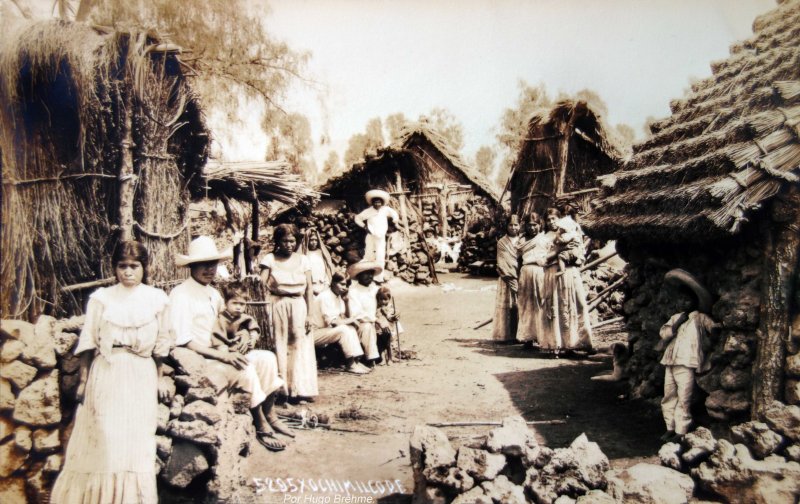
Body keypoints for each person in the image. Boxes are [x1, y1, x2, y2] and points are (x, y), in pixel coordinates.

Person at [52, 241, 172, 504]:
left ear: (144, 268)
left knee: (136, 444)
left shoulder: (157, 299)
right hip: (107, 373)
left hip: (141, 374)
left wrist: (161, 377)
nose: (128, 272)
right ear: (114, 268)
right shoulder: (101, 299)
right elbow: (88, 342)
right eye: (122, 266)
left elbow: (162, 343)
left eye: (134, 266)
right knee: (106, 438)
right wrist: (83, 380)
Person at [170, 236, 290, 452]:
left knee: (267, 358)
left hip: (221, 349)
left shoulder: (214, 293)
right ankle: (260, 422)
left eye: (213, 264)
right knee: (244, 366)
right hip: (202, 357)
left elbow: (229, 323)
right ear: (191, 266)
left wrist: (246, 334)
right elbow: (184, 341)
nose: (209, 269)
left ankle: (269, 413)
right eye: (203, 264)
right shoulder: (180, 295)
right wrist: (222, 356)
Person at [658, 269, 720, 442]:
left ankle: (681, 430)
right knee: (668, 395)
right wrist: (676, 324)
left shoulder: (699, 318)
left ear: (695, 301)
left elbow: (713, 328)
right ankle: (669, 427)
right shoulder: (675, 317)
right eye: (680, 300)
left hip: (687, 362)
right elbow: (664, 334)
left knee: (684, 397)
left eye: (687, 300)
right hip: (670, 361)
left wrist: (714, 334)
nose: (683, 303)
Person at [260, 224, 318, 403]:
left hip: (299, 305)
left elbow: (309, 289)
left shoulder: (303, 260)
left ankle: (299, 389)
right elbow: (260, 285)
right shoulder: (269, 259)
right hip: (278, 304)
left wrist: (310, 314)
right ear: (278, 241)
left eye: (292, 240)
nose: (289, 244)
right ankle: (281, 391)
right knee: (280, 344)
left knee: (300, 345)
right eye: (284, 240)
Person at [547, 207, 594, 354]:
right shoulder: (549, 236)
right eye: (548, 220)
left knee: (579, 305)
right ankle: (565, 344)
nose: (551, 222)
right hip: (559, 272)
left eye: (553, 219)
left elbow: (580, 252)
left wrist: (578, 256)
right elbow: (550, 254)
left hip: (572, 271)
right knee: (563, 306)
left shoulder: (572, 231)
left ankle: (583, 342)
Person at [310, 272, 371, 374]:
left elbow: (345, 317)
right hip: (313, 333)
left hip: (324, 330)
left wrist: (346, 302)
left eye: (346, 285)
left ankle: (355, 361)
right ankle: (350, 365)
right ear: (333, 283)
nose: (345, 287)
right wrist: (351, 320)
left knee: (350, 328)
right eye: (342, 284)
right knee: (343, 330)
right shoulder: (325, 296)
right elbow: (334, 323)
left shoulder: (338, 296)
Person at [516, 213, 555, 349]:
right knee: (526, 304)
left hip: (540, 271)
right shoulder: (521, 241)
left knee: (541, 303)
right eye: (529, 225)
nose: (532, 228)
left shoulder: (545, 239)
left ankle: (542, 337)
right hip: (526, 272)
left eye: (535, 225)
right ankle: (528, 338)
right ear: (525, 226)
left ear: (540, 225)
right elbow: (518, 259)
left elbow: (551, 256)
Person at [354, 189, 403, 282]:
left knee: (380, 255)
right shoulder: (368, 211)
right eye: (375, 202)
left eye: (379, 202)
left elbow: (394, 214)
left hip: (380, 236)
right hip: (371, 235)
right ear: (372, 203)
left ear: (382, 203)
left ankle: (378, 278)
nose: (377, 204)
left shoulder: (385, 210)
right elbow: (357, 218)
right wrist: (364, 226)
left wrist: (395, 222)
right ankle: (366, 276)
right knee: (368, 253)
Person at [346, 261, 383, 365]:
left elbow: (385, 301)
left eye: (371, 273)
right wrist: (375, 320)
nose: (369, 276)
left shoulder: (374, 289)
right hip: (360, 324)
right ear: (359, 276)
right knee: (367, 326)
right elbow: (358, 314)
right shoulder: (353, 292)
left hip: (374, 320)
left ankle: (385, 352)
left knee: (390, 322)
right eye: (366, 274)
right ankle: (371, 358)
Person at [492, 215, 521, 342]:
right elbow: (502, 262)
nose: (513, 227)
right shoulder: (502, 242)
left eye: (516, 225)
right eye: (511, 225)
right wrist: (510, 278)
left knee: (521, 307)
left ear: (520, 226)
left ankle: (521, 335)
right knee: (508, 307)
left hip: (522, 277)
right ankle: (507, 335)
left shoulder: (524, 240)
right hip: (507, 278)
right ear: (506, 226)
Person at [211, 282, 259, 354]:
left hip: (242, 349)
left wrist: (253, 339)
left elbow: (254, 329)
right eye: (234, 303)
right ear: (226, 303)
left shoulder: (245, 318)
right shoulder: (221, 319)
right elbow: (217, 338)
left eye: (242, 304)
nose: (238, 307)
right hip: (227, 350)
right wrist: (222, 349)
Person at [301, 228, 335, 296]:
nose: (314, 242)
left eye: (316, 240)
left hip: (323, 287)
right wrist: (311, 289)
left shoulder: (322, 253)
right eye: (311, 240)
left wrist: (326, 285)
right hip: (309, 288)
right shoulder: (303, 255)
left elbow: (327, 270)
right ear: (307, 240)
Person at [376, 285, 403, 364]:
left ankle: (390, 358)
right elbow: (376, 317)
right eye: (381, 299)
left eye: (385, 299)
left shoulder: (391, 307)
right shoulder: (377, 307)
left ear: (389, 299)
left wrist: (389, 315)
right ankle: (382, 358)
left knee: (388, 343)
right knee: (380, 343)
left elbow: (392, 318)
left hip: (389, 328)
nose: (383, 302)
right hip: (380, 328)